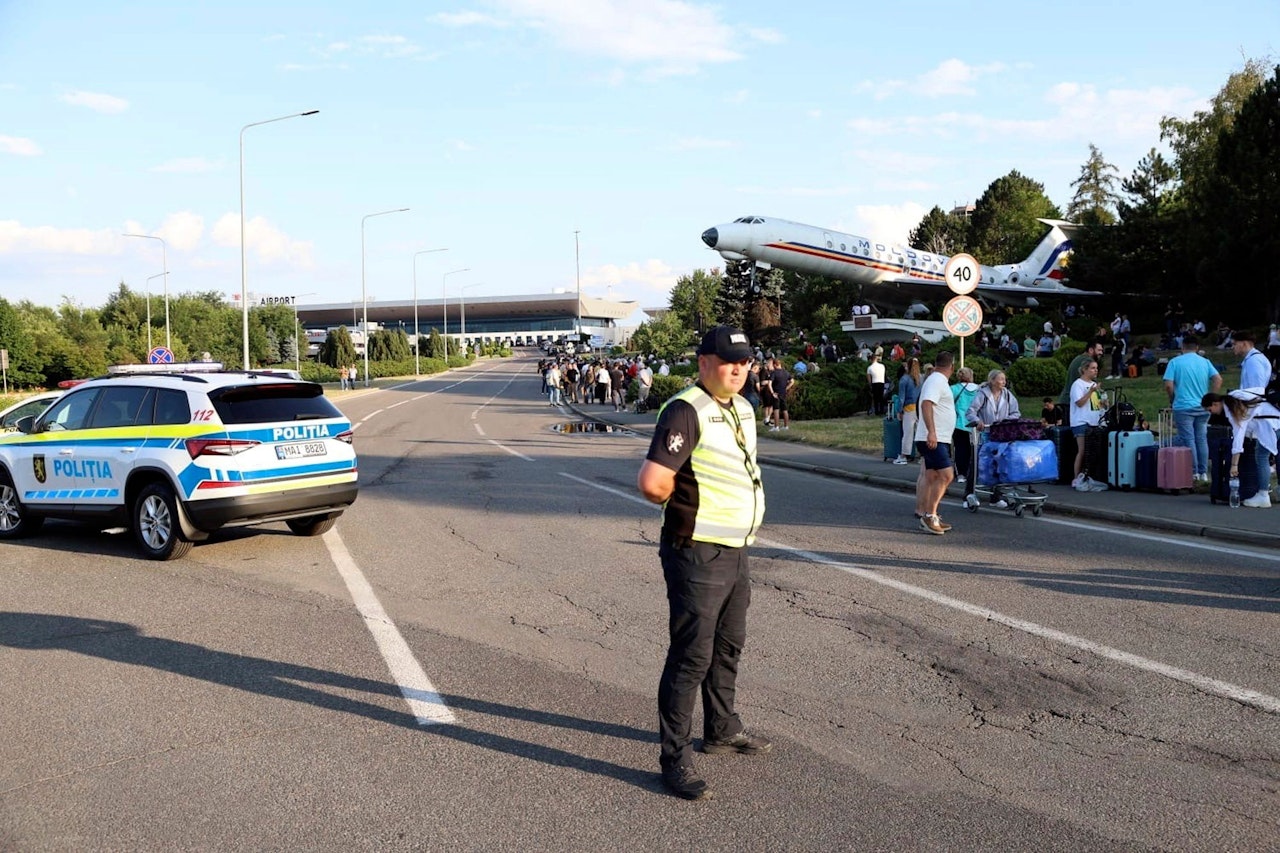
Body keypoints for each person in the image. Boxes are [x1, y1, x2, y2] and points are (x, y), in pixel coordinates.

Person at [637, 325, 771, 801]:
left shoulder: (744, 408)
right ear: (704, 362)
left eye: (745, 360)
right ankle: (674, 759)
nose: (738, 368)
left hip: (735, 548)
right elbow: (653, 482)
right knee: (691, 656)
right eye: (728, 359)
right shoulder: (685, 410)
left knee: (729, 645)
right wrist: (685, 509)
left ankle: (721, 728)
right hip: (696, 552)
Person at [1201, 391, 1280, 507]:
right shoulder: (1235, 395)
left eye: (1209, 410)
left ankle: (1263, 495)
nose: (1211, 413)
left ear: (1215, 404)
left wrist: (1234, 465)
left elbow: (1238, 438)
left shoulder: (1233, 410)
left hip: (1270, 425)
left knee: (1261, 457)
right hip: (1275, 420)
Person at [1163, 335, 1221, 482]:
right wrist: (1211, 397)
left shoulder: (1174, 362)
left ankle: (1193, 472)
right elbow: (1218, 379)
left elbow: (1168, 385)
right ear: (1197, 347)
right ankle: (1203, 472)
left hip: (1183, 407)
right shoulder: (1205, 362)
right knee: (1201, 438)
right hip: (1202, 406)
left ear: (1182, 347)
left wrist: (1172, 398)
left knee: (1188, 439)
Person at [915, 351, 956, 534]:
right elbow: (926, 404)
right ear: (952, 367)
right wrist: (932, 432)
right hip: (933, 438)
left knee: (932, 476)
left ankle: (928, 514)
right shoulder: (937, 380)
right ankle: (930, 515)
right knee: (947, 475)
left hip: (937, 437)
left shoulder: (936, 380)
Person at [1233, 331, 1274, 499]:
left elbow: (1255, 390)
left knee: (1261, 453)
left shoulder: (1253, 362)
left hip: (1259, 413)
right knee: (1265, 451)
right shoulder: (1256, 360)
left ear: (1244, 343)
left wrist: (1246, 411)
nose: (1232, 348)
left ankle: (1262, 491)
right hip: (1262, 411)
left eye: (1234, 344)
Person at [1069, 359, 1109, 491]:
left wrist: (1104, 402)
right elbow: (1079, 403)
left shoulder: (1095, 385)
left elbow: (1099, 405)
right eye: (1092, 368)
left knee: (1092, 451)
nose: (1095, 370)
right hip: (1081, 421)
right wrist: (1091, 392)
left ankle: (1089, 475)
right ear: (1084, 369)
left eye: (1096, 368)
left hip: (1094, 421)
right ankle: (1076, 478)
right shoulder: (1078, 385)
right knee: (1082, 450)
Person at [949, 366, 980, 486]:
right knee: (974, 450)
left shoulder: (954, 389)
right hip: (975, 424)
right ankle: (973, 472)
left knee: (960, 449)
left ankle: (961, 473)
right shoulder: (979, 389)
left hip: (959, 423)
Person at [1058, 339, 1105, 408]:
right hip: (1074, 402)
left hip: (1066, 400)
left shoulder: (1079, 358)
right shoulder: (1088, 361)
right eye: (1099, 350)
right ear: (1091, 350)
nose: (1101, 353)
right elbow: (1093, 387)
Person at [769, 358, 794, 431]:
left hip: (776, 392)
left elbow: (769, 383)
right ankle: (786, 426)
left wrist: (772, 392)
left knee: (776, 409)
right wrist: (787, 388)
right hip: (783, 392)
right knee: (784, 409)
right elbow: (792, 381)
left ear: (774, 365)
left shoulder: (774, 373)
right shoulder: (786, 372)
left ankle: (776, 426)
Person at [867, 351, 887, 416]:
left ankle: (876, 411)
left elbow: (869, 378)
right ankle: (882, 410)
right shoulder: (882, 366)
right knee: (881, 397)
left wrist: (870, 385)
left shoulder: (869, 368)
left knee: (875, 398)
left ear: (871, 359)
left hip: (874, 383)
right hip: (881, 382)